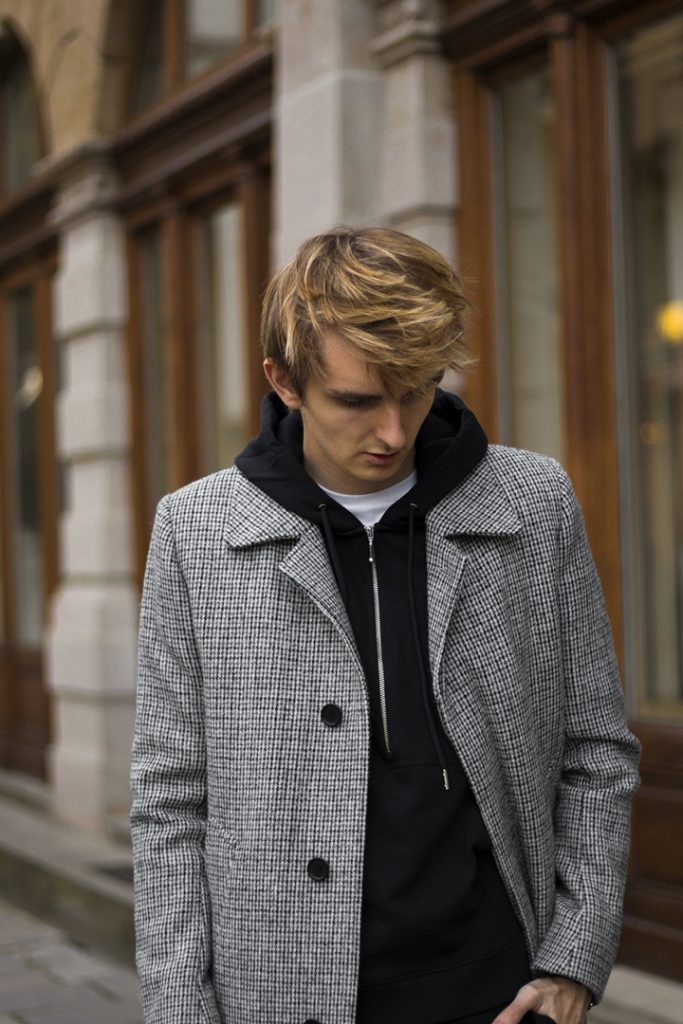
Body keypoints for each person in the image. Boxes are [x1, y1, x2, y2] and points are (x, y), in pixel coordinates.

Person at [130, 226, 640, 1024]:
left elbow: (595, 751)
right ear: (283, 380)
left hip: (497, 991)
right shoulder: (195, 531)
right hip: (279, 992)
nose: (394, 432)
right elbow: (169, 799)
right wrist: (178, 1008)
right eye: (357, 400)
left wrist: (572, 957)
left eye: (416, 389)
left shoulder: (531, 504)